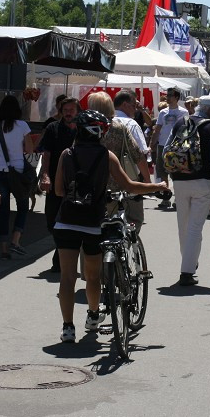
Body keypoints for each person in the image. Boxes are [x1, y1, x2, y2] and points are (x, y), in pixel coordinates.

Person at [52, 110, 168, 343]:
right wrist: (158, 187)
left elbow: (58, 191)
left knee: (67, 277)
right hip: (93, 223)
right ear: (99, 132)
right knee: (93, 275)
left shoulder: (67, 154)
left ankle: (67, 327)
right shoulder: (106, 156)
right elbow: (129, 185)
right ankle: (94, 315)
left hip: (66, 221)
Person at [167, 95, 210, 286]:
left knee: (182, 225)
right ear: (209, 109)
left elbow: (166, 149)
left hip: (179, 179)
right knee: (194, 228)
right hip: (203, 180)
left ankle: (189, 262)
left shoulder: (179, 123)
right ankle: (187, 271)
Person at [91, 91, 151, 232]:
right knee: (134, 220)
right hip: (123, 183)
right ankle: (127, 246)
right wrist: (148, 181)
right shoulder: (121, 127)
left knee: (96, 226)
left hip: (94, 185)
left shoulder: (84, 128)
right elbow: (139, 155)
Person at [38, 96, 80, 273]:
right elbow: (46, 154)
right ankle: (61, 251)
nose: (68, 113)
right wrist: (45, 175)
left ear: (77, 111)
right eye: (65, 110)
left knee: (73, 220)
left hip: (77, 183)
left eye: (71, 110)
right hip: (55, 181)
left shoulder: (83, 129)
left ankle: (60, 258)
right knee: (51, 220)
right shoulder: (52, 128)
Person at [0, 95, 33, 259]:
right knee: (23, 206)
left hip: (0, 172)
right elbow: (29, 149)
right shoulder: (23, 126)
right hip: (18, 172)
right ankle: (16, 240)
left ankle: (4, 248)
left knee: (4, 211)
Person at [151, 87, 189, 207]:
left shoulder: (184, 112)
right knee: (162, 172)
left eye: (170, 96)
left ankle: (178, 199)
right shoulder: (163, 112)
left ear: (176, 98)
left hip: (176, 146)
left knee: (176, 173)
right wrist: (152, 144)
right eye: (167, 95)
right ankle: (166, 197)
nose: (167, 98)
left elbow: (187, 129)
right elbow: (157, 130)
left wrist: (185, 145)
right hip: (162, 145)